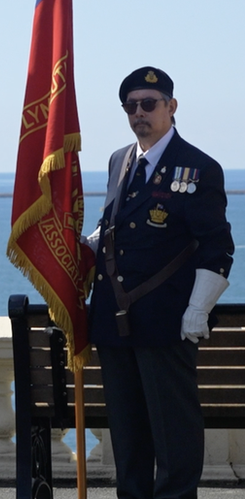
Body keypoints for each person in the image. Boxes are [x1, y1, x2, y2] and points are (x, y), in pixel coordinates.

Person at [86, 66, 234, 499]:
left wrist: (197, 309)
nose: (139, 113)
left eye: (148, 104)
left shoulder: (199, 167)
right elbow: (113, 228)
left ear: (171, 107)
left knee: (173, 434)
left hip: (167, 320)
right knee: (127, 435)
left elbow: (217, 247)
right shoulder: (119, 160)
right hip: (114, 321)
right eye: (130, 106)